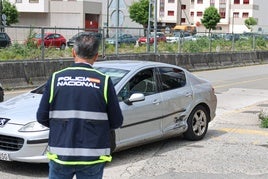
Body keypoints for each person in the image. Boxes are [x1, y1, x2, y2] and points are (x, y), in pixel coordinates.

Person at [36, 32, 123, 179]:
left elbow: (41, 117)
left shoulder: (56, 78)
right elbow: (116, 121)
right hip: (93, 155)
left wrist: (63, 127)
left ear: (73, 52)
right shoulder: (104, 81)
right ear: (96, 56)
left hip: (60, 152)